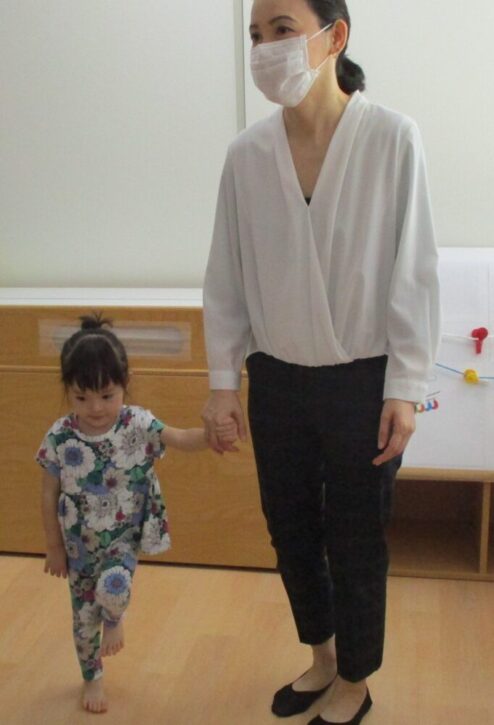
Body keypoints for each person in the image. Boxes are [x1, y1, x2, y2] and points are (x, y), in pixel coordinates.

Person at [202, 1, 440, 723]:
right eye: (255, 35)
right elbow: (227, 274)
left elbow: (413, 270)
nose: (265, 47)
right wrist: (222, 382)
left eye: (282, 29)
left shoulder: (392, 139)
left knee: (358, 536)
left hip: (362, 380)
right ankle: (324, 656)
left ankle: (357, 679)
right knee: (292, 529)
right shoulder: (247, 155)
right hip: (276, 377)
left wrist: (405, 387)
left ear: (334, 36)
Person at [36, 314, 207, 714]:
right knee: (83, 618)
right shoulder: (60, 436)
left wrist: (212, 436)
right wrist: (53, 546)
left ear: (125, 383)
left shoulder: (137, 423)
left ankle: (114, 618)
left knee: (114, 586)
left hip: (121, 539)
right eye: (81, 398)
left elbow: (181, 438)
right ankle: (92, 677)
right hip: (78, 547)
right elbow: (47, 493)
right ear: (67, 390)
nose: (95, 408)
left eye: (107, 395)